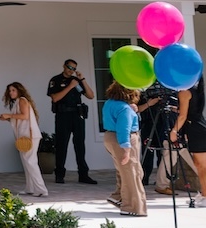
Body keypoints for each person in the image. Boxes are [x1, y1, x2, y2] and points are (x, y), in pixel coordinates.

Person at [102, 82, 147, 217]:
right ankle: (132, 207)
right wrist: (127, 149)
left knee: (127, 171)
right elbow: (123, 129)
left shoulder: (109, 103)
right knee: (131, 173)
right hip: (123, 139)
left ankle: (118, 197)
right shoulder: (124, 109)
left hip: (109, 137)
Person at [47, 59, 96, 184]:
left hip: (77, 115)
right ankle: (59, 174)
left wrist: (82, 79)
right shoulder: (56, 80)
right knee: (61, 145)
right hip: (63, 115)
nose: (71, 70)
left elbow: (91, 96)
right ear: (64, 66)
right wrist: (70, 87)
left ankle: (83, 174)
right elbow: (55, 98)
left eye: (73, 68)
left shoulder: (77, 81)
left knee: (80, 145)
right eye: (69, 67)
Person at [0, 83, 48, 197]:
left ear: (19, 90)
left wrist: (8, 115)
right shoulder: (19, 101)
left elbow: (24, 116)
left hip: (29, 136)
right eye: (10, 91)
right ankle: (30, 188)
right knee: (27, 162)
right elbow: (20, 119)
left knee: (30, 162)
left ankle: (41, 189)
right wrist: (7, 118)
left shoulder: (22, 100)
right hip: (24, 136)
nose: (11, 93)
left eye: (13, 90)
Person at [169, 78, 206, 203]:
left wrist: (174, 131)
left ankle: (205, 196)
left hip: (196, 130)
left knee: (202, 166)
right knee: (198, 164)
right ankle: (203, 193)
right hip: (197, 128)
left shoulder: (184, 92)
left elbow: (183, 116)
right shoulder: (193, 90)